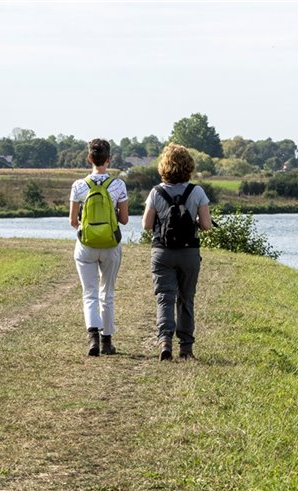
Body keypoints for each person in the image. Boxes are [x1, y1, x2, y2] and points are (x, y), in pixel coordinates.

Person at [142, 143, 212, 361]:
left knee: (165, 297)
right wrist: (195, 221)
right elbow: (207, 225)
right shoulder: (197, 191)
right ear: (188, 166)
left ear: (164, 166)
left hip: (162, 252)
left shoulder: (156, 192)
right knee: (186, 299)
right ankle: (186, 348)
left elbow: (146, 224)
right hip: (189, 252)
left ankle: (165, 341)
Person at [70, 139, 129, 356]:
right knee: (108, 293)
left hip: (85, 245)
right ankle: (107, 341)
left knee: (90, 293)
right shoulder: (118, 185)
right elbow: (123, 219)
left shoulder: (78, 186)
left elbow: (72, 221)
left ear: (89, 158)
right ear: (109, 158)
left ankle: (92, 338)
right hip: (111, 245)